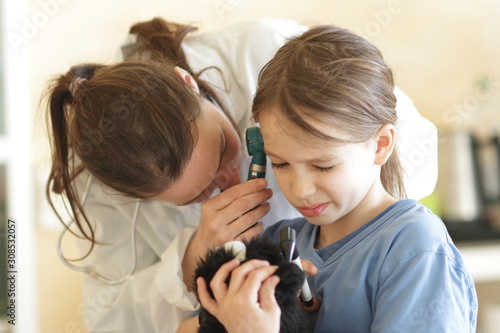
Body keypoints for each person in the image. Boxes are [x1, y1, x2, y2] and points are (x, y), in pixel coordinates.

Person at [45, 17, 439, 333]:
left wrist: (346, 265)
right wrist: (191, 260)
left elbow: (400, 149)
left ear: (189, 81)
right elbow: (110, 320)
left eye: (221, 150)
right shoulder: (283, 244)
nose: (231, 180)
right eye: (195, 197)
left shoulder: (267, 54)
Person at [195, 25, 478, 332]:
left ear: (380, 145)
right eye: (281, 163)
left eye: (323, 166)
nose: (300, 190)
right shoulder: (275, 245)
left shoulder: (413, 248)